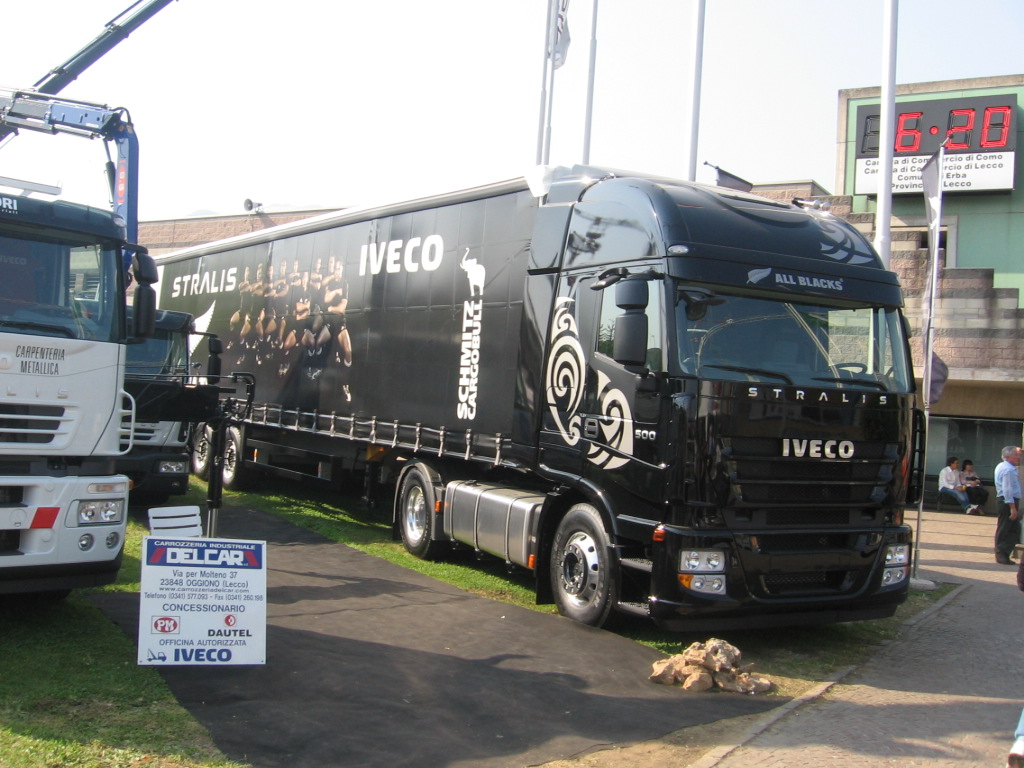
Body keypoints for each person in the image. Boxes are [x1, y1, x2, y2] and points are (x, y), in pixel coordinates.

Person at [993, 445, 1022, 565]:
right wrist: (1012, 508)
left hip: (1007, 500)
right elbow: (1007, 490)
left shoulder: (1004, 466)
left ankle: (1003, 553)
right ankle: (1001, 553)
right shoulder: (1008, 470)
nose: (1018, 457)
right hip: (1008, 501)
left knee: (1012, 528)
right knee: (1007, 528)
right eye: (1015, 455)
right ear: (1008, 457)